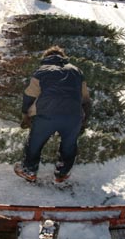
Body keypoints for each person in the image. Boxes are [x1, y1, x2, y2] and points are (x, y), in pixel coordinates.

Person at [14, 46, 91, 183]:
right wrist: (85, 118)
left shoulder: (41, 71)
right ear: (63, 56)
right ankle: (62, 173)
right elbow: (85, 97)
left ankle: (29, 171)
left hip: (47, 115)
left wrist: (26, 113)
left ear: (46, 58)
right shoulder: (76, 71)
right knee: (69, 145)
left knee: (35, 142)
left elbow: (29, 95)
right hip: (73, 116)